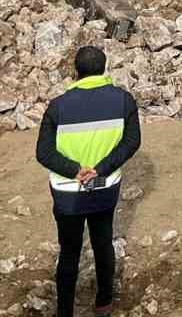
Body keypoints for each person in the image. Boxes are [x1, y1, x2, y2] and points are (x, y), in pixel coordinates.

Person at [36, 45, 141, 317]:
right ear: (104, 69)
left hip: (68, 192)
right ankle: (104, 303)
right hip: (104, 187)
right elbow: (132, 142)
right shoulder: (123, 100)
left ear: (76, 72)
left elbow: (43, 153)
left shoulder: (57, 107)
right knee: (103, 242)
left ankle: (65, 312)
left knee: (69, 251)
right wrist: (100, 169)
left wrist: (75, 171)